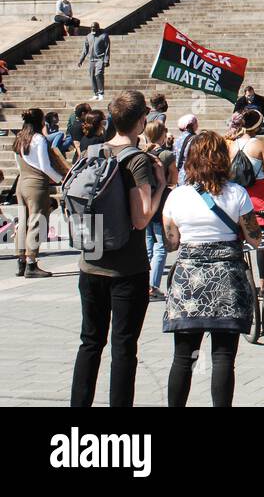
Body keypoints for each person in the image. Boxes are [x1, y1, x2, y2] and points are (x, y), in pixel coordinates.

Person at [70, 90, 167, 408]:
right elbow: (140, 220)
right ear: (142, 121)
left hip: (90, 263)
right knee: (124, 347)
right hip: (127, 269)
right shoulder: (137, 161)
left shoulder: (92, 152)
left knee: (90, 343)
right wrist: (161, 187)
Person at [160, 130, 260, 407]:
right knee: (223, 357)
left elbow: (171, 243)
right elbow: (254, 237)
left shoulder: (177, 196)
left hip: (189, 282)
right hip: (227, 280)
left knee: (183, 357)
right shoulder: (237, 193)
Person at [13, 108, 65, 279]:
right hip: (36, 184)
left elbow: (19, 164)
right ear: (40, 122)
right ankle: (31, 263)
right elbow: (45, 166)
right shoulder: (38, 139)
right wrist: (60, 178)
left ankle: (21, 261)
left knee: (23, 221)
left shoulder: (20, 137)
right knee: (37, 221)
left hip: (22, 182)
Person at [141, 121, 178, 299]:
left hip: (144, 200)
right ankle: (153, 286)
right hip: (161, 200)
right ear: (162, 134)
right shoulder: (166, 155)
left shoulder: (143, 153)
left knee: (148, 245)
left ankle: (143, 283)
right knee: (161, 247)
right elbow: (173, 179)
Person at [77, 21, 110, 101]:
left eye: (94, 28)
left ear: (98, 28)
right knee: (92, 76)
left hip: (100, 59)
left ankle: (101, 93)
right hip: (92, 60)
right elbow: (85, 49)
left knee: (98, 74)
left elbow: (107, 49)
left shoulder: (104, 36)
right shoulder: (88, 36)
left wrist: (106, 60)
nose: (93, 29)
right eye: (91, 28)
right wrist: (81, 60)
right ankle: (96, 94)